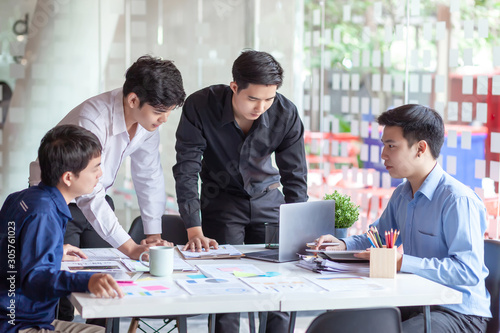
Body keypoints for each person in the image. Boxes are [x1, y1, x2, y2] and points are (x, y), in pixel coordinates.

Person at [315, 104, 491, 332]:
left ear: (420, 149)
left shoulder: (457, 200)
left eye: (391, 146)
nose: (383, 154)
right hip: (416, 299)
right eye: (383, 145)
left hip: (458, 312)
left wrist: (401, 262)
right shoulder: (402, 193)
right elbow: (376, 238)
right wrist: (341, 244)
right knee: (345, 321)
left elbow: (467, 271)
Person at [173, 50, 308, 333]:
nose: (261, 107)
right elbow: (187, 169)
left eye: (269, 99)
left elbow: (294, 175)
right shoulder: (200, 105)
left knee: (278, 286)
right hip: (222, 203)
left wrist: (300, 229)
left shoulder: (285, 113)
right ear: (234, 87)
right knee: (227, 291)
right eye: (253, 99)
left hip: (269, 199)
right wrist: (194, 228)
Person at [29, 55, 186, 260]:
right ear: (133, 100)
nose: (164, 119)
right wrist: (130, 248)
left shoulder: (148, 124)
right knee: (65, 271)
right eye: (159, 112)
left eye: (169, 112)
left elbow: (149, 175)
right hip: (59, 203)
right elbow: (88, 193)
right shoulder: (92, 120)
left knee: (108, 267)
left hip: (97, 199)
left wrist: (153, 236)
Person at [0, 125, 124, 333]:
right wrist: (88, 280)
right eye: (95, 168)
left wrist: (54, 250)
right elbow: (35, 279)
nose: (100, 174)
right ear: (68, 177)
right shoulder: (44, 213)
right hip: (19, 323)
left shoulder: (22, 197)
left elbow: (10, 251)